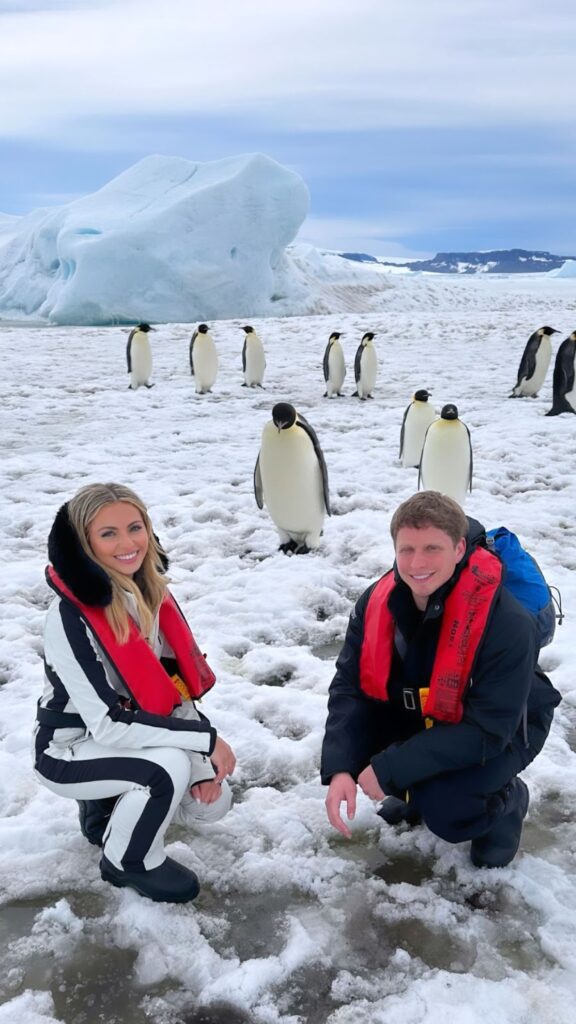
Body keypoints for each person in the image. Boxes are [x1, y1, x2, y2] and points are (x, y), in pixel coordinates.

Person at [321, 491, 561, 868]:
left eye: (432, 548)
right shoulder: (376, 602)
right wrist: (340, 767)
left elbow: (488, 730)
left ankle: (506, 803)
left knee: (445, 806)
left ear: (459, 547)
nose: (418, 563)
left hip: (508, 727)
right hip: (427, 709)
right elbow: (350, 687)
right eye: (407, 550)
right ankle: (414, 793)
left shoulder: (507, 623)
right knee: (366, 751)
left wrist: (391, 768)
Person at [34, 483, 236, 903]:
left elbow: (171, 687)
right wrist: (207, 741)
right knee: (163, 770)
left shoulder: (148, 596)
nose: (127, 544)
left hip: (125, 734)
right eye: (108, 534)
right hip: (68, 750)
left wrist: (201, 765)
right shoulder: (68, 618)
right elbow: (107, 725)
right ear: (83, 543)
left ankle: (105, 804)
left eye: (135, 527)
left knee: (210, 803)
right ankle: (128, 860)